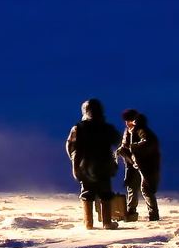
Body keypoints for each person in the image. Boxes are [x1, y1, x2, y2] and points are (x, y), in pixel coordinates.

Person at [66, 98, 122, 230]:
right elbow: (117, 140)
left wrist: (75, 163)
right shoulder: (107, 128)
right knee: (105, 193)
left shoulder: (78, 128)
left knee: (87, 193)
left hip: (84, 166)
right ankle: (107, 222)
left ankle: (88, 223)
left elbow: (71, 147)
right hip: (104, 165)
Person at [118, 109, 161, 221]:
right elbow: (125, 144)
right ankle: (131, 212)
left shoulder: (143, 130)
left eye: (129, 120)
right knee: (132, 187)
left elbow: (147, 143)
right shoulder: (128, 131)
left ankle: (153, 214)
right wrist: (123, 150)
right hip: (132, 163)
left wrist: (133, 147)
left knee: (146, 189)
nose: (127, 123)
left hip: (145, 164)